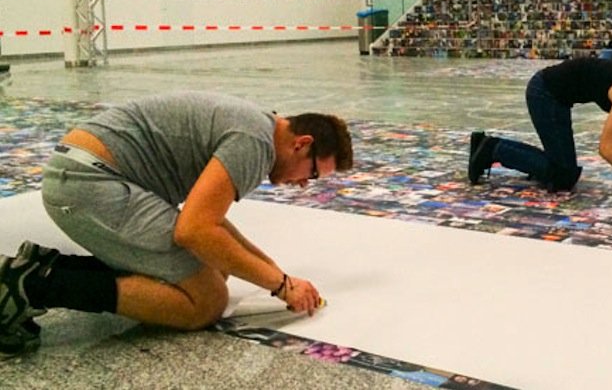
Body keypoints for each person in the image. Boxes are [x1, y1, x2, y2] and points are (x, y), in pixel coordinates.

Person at [0, 91, 353, 357]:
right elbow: (194, 230)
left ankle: (46, 267)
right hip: (89, 183)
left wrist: (278, 275)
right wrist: (281, 285)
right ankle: (37, 285)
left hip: (85, 173)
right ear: (301, 144)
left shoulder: (255, 126)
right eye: (312, 173)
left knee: (217, 266)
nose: (304, 184)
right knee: (207, 301)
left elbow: (211, 224)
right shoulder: (255, 143)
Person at [468, 56, 612, 192]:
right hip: (545, 93)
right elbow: (606, 149)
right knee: (563, 176)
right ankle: (492, 148)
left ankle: (488, 145)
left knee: (560, 166)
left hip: (558, 95)